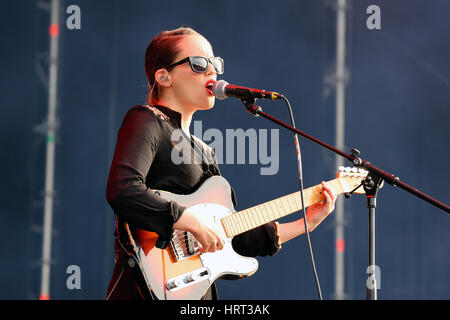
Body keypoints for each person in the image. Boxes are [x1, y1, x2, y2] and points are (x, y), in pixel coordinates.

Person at [105, 27, 337, 300]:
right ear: (164, 76)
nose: (212, 72)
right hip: (145, 286)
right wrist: (187, 218)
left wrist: (305, 224)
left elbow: (230, 235)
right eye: (199, 63)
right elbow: (123, 189)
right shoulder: (146, 119)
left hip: (194, 290)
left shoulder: (204, 151)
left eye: (215, 64)